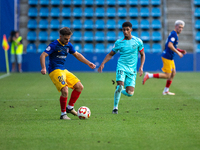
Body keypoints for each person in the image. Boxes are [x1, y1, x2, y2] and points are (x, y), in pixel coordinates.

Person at [40, 27, 96, 120]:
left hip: (63, 70)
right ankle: (63, 114)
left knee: (79, 86)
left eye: (69, 39)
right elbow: (43, 55)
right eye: (65, 39)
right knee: (65, 90)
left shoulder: (68, 45)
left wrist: (88, 62)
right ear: (60, 36)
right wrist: (43, 68)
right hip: (55, 70)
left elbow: (77, 55)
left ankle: (70, 107)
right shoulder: (54, 45)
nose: (67, 41)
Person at [98, 22, 145, 114]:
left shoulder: (138, 41)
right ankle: (115, 108)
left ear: (131, 30)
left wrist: (141, 67)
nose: (125, 31)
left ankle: (119, 90)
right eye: (124, 29)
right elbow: (110, 54)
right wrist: (103, 63)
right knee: (120, 85)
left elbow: (142, 55)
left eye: (127, 29)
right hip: (121, 67)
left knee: (130, 93)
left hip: (132, 70)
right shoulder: (119, 42)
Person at [142, 20, 187, 95]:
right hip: (167, 57)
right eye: (179, 27)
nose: (181, 29)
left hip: (170, 57)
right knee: (167, 75)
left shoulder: (175, 34)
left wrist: (180, 50)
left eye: (182, 28)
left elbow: (173, 46)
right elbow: (170, 45)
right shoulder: (174, 34)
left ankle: (166, 90)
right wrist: (178, 52)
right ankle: (149, 75)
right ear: (176, 26)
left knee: (173, 73)